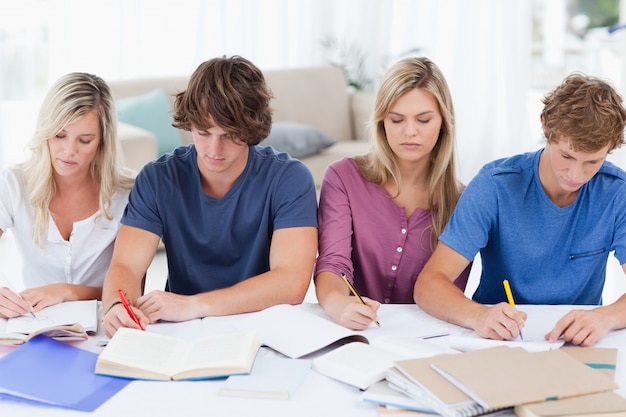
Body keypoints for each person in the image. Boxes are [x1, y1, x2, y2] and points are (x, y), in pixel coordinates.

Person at [101, 55, 318, 337]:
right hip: (181, 330)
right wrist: (118, 306)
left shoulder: (290, 178)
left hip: (262, 329)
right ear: (189, 123)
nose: (214, 148)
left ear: (252, 129)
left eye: (230, 134)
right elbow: (126, 266)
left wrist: (195, 305)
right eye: (203, 132)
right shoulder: (158, 179)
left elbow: (291, 283)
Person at [414, 72, 626, 347]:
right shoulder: (495, 186)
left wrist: (606, 317)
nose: (576, 174)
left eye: (592, 162)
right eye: (566, 156)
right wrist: (478, 315)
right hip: (497, 339)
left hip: (576, 345)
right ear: (545, 126)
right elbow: (429, 284)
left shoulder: (617, 192)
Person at [314, 57, 470, 330]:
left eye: (423, 119)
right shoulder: (343, 178)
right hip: (355, 334)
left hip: (431, 337)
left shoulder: (463, 202)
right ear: (381, 122)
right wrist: (339, 305)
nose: (410, 131)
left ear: (444, 122)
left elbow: (447, 289)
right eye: (396, 119)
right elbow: (332, 262)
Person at [0, 72, 135, 318]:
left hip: (106, 324)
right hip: (34, 325)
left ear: (102, 141)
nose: (68, 151)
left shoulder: (129, 192)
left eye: (85, 140)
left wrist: (66, 292)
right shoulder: (13, 184)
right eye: (60, 136)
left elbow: (132, 290)